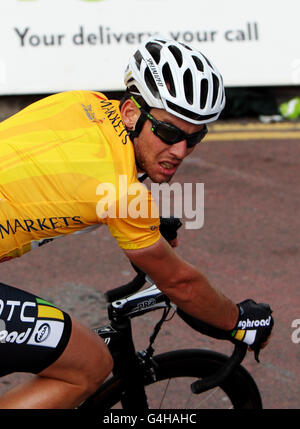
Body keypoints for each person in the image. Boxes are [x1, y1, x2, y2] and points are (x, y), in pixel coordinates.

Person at [0, 36, 273, 409]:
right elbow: (180, 283)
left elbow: (61, 177)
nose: (179, 151)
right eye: (169, 132)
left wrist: (147, 222)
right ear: (131, 113)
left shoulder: (81, 102)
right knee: (89, 364)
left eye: (194, 138)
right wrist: (239, 320)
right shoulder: (123, 195)